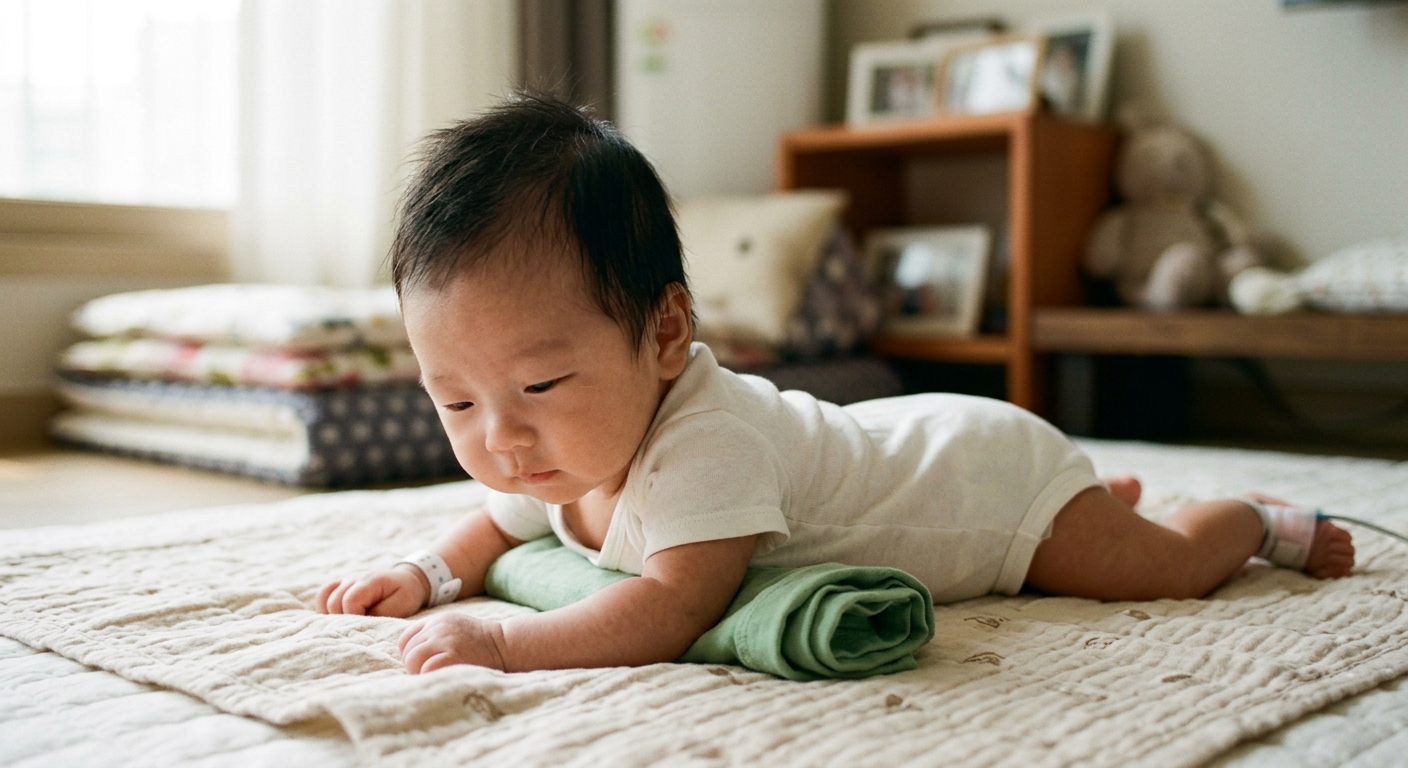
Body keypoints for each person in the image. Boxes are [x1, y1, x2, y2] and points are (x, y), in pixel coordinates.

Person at [316, 94, 1355, 675]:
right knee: (1102, 536)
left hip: (982, 484)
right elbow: (494, 527)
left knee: (1153, 571)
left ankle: (1239, 520)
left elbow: (667, 611)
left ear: (666, 332)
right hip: (905, 447)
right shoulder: (548, 447)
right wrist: (431, 575)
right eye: (453, 400)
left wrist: (499, 636)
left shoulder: (702, 444)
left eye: (539, 381)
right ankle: (1110, 507)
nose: (498, 436)